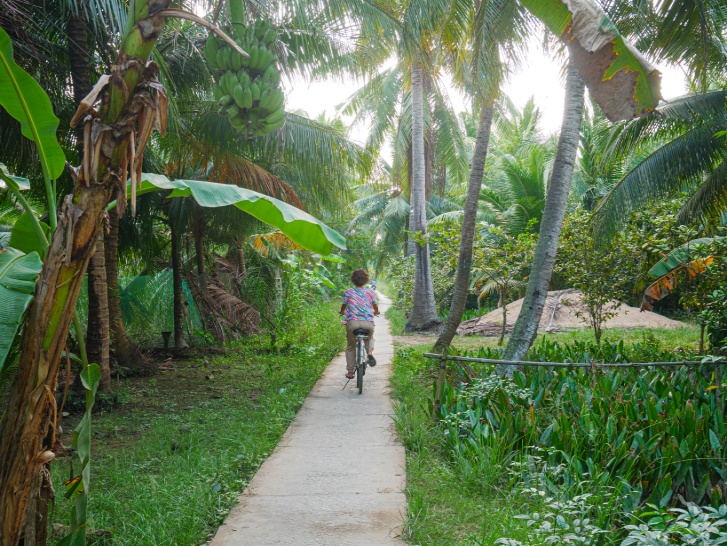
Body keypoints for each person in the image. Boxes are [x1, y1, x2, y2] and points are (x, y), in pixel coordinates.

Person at [339, 268, 379, 379]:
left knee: (351, 346)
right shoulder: (370, 292)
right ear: (366, 280)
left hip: (353, 324)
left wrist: (342, 312)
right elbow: (375, 306)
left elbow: (343, 306)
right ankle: (369, 352)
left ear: (353, 280)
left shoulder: (348, 292)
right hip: (367, 323)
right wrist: (376, 312)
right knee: (370, 338)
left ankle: (350, 372)